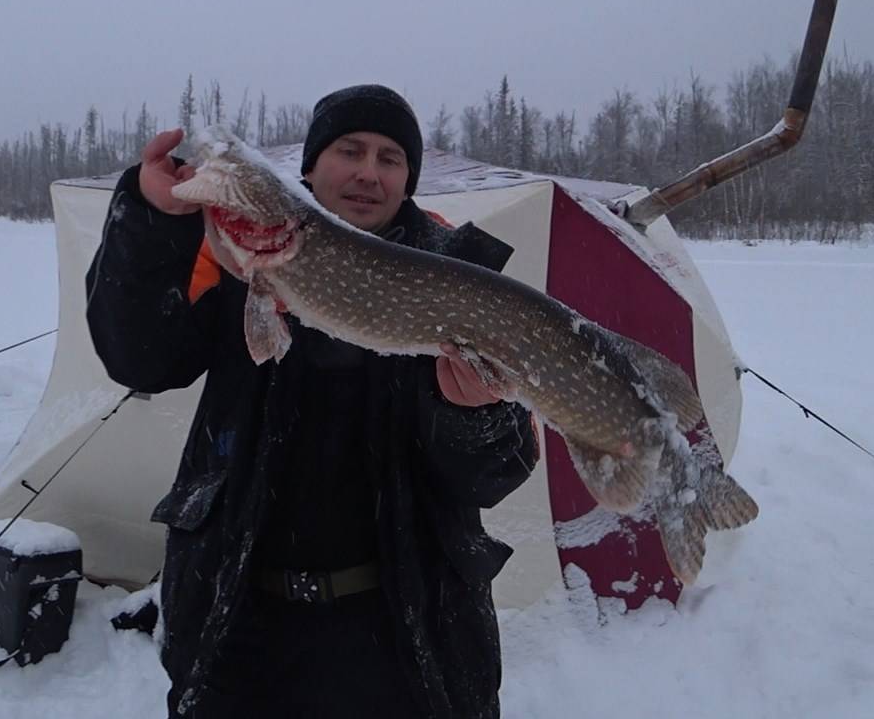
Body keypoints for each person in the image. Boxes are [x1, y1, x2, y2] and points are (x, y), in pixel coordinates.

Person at [85, 83, 540, 718]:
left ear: (408, 179)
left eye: (390, 158)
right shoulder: (237, 254)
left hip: (404, 635)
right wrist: (150, 219)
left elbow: (499, 471)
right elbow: (137, 358)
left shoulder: (456, 272)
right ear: (308, 167)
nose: (367, 172)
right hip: (240, 620)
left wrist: (474, 415)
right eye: (349, 150)